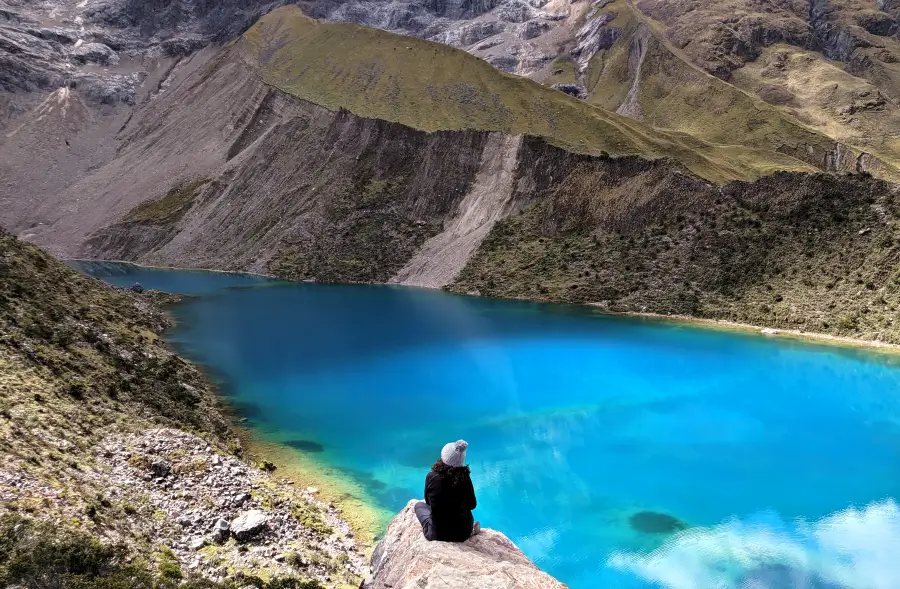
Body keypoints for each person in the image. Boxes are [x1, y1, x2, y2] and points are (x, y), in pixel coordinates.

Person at [414, 439, 480, 542]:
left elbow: (428, 502)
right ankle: (470, 529)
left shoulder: (431, 477)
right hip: (463, 532)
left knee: (418, 506)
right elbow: (472, 504)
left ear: (444, 457)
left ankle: (428, 528)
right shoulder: (464, 477)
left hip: (438, 534)